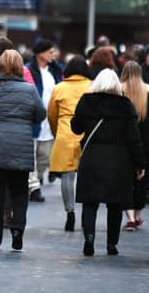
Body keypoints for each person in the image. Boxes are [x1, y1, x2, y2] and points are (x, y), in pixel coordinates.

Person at [0, 50, 46, 251]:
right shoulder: (30, 90)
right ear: (20, 67)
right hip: (20, 147)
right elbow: (40, 114)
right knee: (19, 193)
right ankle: (17, 232)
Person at [71, 69, 146, 256]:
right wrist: (140, 164)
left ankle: (89, 239)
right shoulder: (125, 105)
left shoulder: (86, 102)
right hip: (119, 161)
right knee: (115, 204)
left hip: (92, 158)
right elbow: (134, 138)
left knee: (90, 202)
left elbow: (76, 128)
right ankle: (111, 244)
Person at [47, 56, 91, 231]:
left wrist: (56, 132)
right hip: (88, 135)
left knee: (67, 176)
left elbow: (51, 115)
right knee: (88, 177)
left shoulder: (59, 88)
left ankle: (70, 212)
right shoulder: (92, 86)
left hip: (65, 132)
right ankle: (87, 214)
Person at [27, 39, 63, 201]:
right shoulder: (28, 70)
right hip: (33, 119)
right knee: (31, 155)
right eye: (50, 52)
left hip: (50, 120)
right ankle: (33, 187)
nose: (53, 55)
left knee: (45, 156)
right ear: (40, 53)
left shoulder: (55, 71)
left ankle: (37, 179)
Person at [120, 61, 149, 231]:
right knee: (142, 181)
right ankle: (138, 215)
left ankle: (130, 217)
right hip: (146, 142)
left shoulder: (119, 89)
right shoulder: (147, 89)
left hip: (124, 142)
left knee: (125, 181)